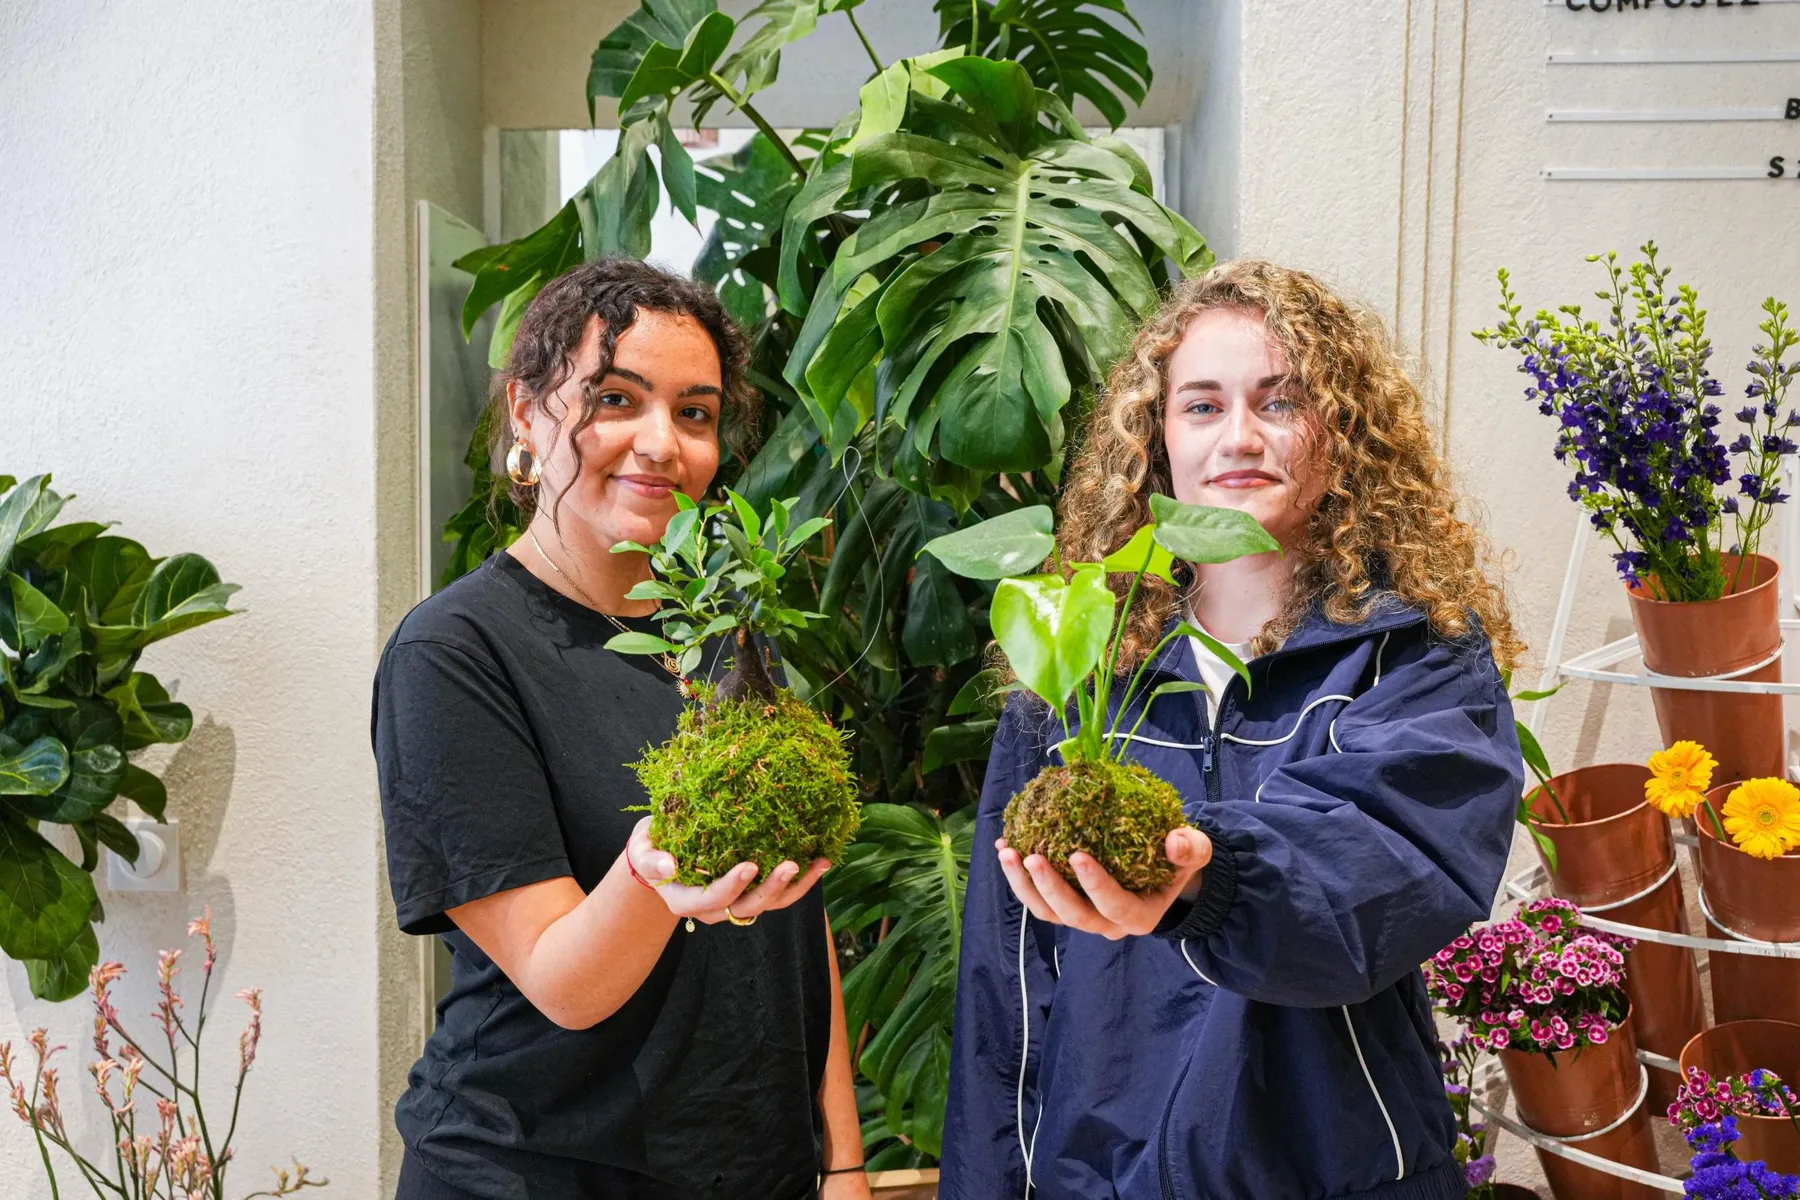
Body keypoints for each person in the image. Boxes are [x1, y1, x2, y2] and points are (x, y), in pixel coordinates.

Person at [942, 260, 1526, 1200]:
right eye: (1202, 407)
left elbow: (1382, 868)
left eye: (1280, 401)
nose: (1239, 438)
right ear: (1157, 439)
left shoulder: (1411, 658)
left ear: (1342, 431)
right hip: (1103, 1177)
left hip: (1334, 1173)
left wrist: (1202, 877)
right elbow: (1005, 994)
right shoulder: (1071, 677)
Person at [373, 258, 870, 1200]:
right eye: (614, 398)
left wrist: (840, 1161)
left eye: (695, 412)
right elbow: (566, 980)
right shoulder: (455, 653)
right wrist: (659, 867)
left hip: (750, 1170)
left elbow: (797, 917)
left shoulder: (726, 638)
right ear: (526, 413)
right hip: (538, 1172)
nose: (661, 443)